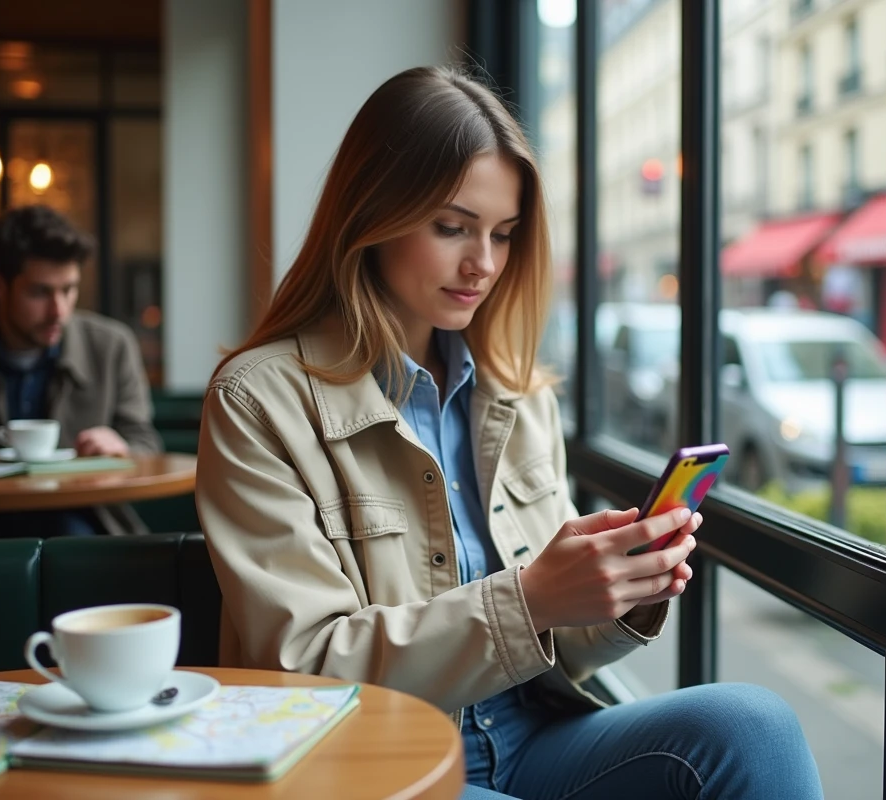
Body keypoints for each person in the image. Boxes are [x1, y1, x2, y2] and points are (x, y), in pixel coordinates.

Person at [196, 66, 823, 799]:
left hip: (532, 739)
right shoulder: (257, 401)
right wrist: (529, 600)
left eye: (503, 234)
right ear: (372, 214)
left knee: (753, 725)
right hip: (374, 763)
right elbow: (303, 667)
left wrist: (618, 593)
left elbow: (561, 657)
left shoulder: (519, 397)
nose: (484, 264)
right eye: (452, 227)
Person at [0, 204, 162, 541]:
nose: (58, 311)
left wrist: (122, 446)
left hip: (84, 526)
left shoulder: (111, 347)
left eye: (69, 289)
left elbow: (145, 443)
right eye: (40, 292)